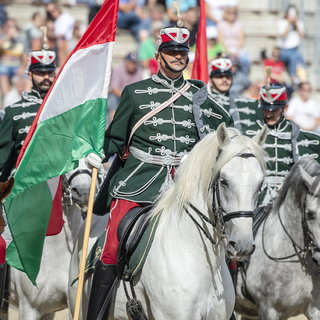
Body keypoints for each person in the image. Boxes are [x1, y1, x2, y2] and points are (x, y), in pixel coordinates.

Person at [85, 25, 233, 320]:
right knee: (113, 243)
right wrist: (97, 154)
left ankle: (224, 308)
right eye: (171, 51)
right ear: (159, 55)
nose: (178, 56)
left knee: (219, 237)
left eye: (182, 52)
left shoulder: (199, 95)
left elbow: (224, 128)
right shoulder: (135, 93)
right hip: (140, 180)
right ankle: (96, 315)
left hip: (186, 183)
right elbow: (116, 138)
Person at [243, 82, 320, 206]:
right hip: (257, 202)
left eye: (274, 110)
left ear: (285, 108)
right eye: (265, 109)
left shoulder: (307, 138)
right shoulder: (248, 135)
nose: (268, 114)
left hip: (292, 201)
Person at [0, 48, 56, 183]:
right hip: (24, 182)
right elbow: (2, 156)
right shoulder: (14, 112)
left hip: (58, 182)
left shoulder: (65, 108)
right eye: (40, 73)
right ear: (30, 75)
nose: (46, 77)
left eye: (50, 72)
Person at [208, 57, 261, 132]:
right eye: (219, 77)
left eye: (227, 76)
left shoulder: (244, 102)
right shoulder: (206, 101)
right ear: (211, 80)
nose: (224, 80)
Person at [108, 51, 144, 123]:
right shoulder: (118, 69)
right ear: (126, 62)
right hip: (119, 96)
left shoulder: (139, 71)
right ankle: (113, 125)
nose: (132, 65)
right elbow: (114, 89)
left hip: (132, 97)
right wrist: (127, 96)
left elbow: (139, 89)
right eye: (130, 62)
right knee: (112, 100)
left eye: (134, 63)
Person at [277, 4, 306, 85]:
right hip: (284, 50)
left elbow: (302, 35)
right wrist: (289, 23)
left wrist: (296, 24)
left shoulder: (299, 23)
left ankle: (302, 77)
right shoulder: (282, 23)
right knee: (296, 56)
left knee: (299, 57)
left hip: (295, 49)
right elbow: (283, 36)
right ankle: (293, 76)